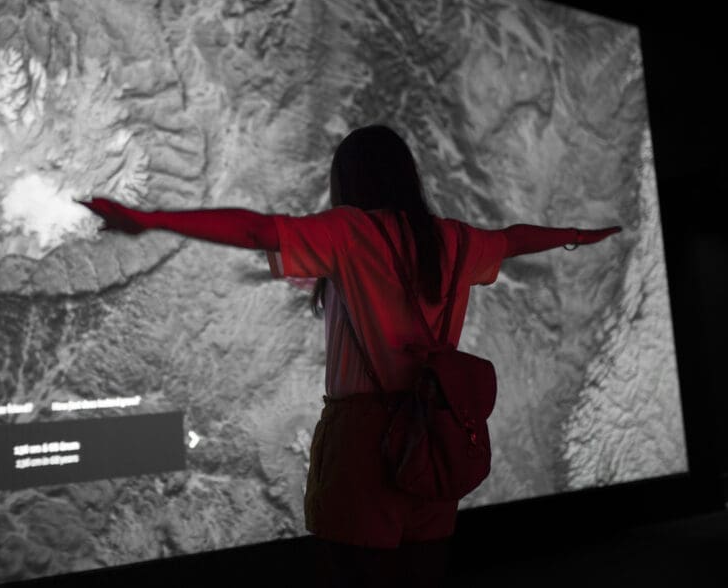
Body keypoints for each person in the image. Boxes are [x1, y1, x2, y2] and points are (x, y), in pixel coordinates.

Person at [77, 124, 621, 586]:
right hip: (436, 434)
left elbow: (256, 230)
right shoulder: (453, 240)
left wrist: (151, 219)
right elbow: (514, 239)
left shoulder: (349, 233)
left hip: (363, 444)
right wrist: (576, 234)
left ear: (348, 182)